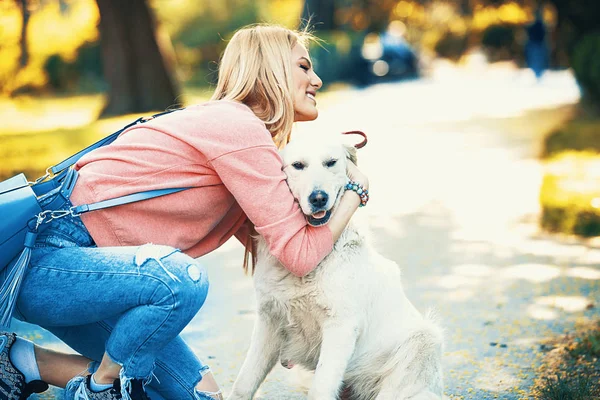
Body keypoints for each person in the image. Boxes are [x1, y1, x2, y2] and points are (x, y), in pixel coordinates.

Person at [0, 24, 369, 400]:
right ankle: (102, 387)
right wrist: (356, 191)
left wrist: (298, 332)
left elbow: (285, 249)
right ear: (270, 68)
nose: (317, 79)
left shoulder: (243, 137)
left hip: (103, 279)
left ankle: (21, 362)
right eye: (304, 67)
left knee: (200, 396)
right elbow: (302, 255)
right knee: (179, 280)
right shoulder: (238, 129)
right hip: (48, 261)